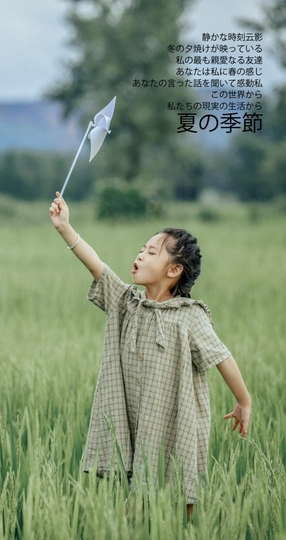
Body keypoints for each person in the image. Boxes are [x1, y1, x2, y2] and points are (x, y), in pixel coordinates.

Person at [49, 192, 251, 517]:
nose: (140, 255)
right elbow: (97, 266)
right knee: (136, 503)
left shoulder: (189, 315)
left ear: (173, 271)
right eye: (141, 249)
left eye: (151, 252)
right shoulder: (128, 303)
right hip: (136, 419)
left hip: (176, 419)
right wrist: (65, 229)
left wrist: (244, 401)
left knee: (181, 495)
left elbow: (221, 357)